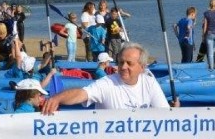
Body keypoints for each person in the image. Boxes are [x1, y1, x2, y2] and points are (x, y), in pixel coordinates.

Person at [42, 42, 170, 113]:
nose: (123, 67)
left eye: (129, 63)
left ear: (142, 67)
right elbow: (82, 94)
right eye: (121, 62)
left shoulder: (149, 82)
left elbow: (163, 112)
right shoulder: (107, 83)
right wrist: (57, 98)